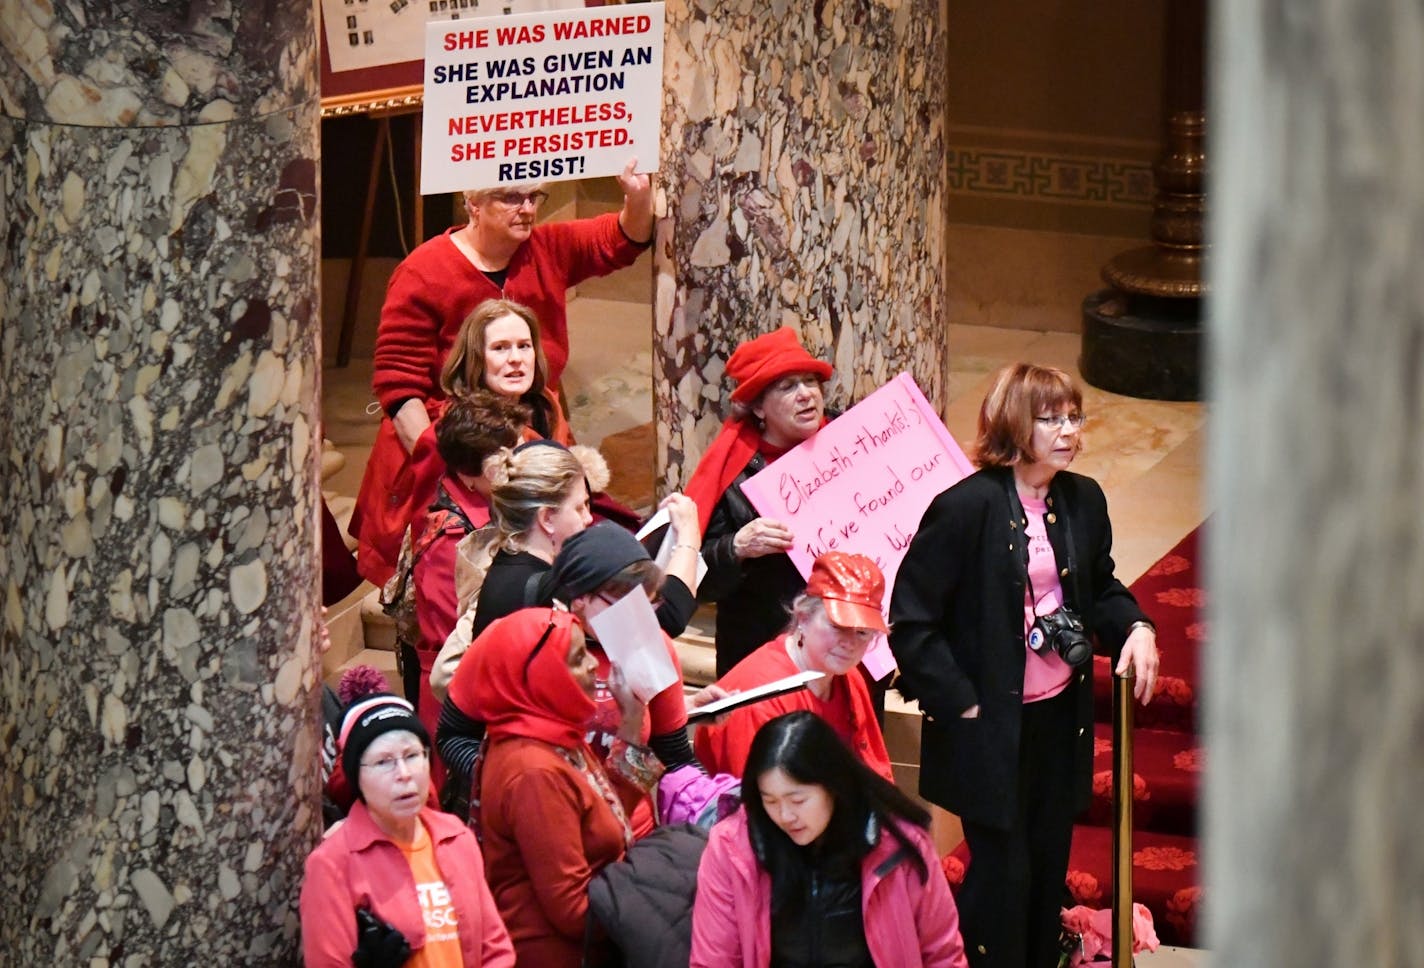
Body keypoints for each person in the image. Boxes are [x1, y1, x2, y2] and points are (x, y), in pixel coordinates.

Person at [888, 362, 1160, 968]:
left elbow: (1102, 584)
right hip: (989, 730)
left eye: (1072, 417)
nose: (1068, 431)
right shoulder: (965, 508)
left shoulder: (1082, 498)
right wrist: (962, 701)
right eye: (1050, 419)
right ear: (1015, 422)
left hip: (1058, 722)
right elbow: (911, 622)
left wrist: (1137, 626)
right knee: (1003, 880)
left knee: (1045, 872)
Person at [350, 161, 654, 584]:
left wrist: (638, 196)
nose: (526, 208)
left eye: (534, 197)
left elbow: (623, 237)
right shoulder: (423, 272)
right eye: (511, 196)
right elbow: (400, 391)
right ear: (472, 202)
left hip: (524, 438)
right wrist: (456, 471)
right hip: (446, 452)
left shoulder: (546, 248)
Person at [440, 523, 695, 832]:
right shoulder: (513, 640)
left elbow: (676, 758)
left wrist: (713, 802)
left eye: (647, 604)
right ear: (580, 598)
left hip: (626, 836)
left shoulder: (649, 646)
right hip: (535, 833)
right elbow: (454, 736)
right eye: (626, 605)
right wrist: (510, 788)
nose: (640, 619)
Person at [455, 607, 663, 968]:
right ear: (542, 675)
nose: (591, 669)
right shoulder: (533, 772)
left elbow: (611, 812)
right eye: (578, 658)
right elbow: (573, 911)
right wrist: (654, 900)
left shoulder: (549, 730)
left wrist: (632, 718)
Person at [689, 711, 969, 968]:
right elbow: (714, 961)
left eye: (797, 800)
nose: (785, 815)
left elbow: (943, 955)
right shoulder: (732, 847)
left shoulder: (899, 845)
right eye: (769, 801)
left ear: (833, 786)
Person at [300, 694, 515, 967]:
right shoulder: (332, 865)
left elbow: (496, 948)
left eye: (413, 756)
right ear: (357, 777)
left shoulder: (457, 837)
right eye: (383, 762)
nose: (404, 773)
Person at [684, 326, 834, 676]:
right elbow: (695, 579)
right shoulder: (733, 472)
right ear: (759, 409)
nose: (806, 395)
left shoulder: (853, 438)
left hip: (844, 653)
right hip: (763, 655)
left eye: (810, 381)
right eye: (787, 387)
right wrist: (737, 547)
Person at [406, 391, 526, 779]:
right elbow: (458, 644)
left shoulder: (495, 502)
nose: (518, 465)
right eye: (505, 460)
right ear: (470, 474)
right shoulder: (450, 542)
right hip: (459, 707)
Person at [693, 551, 894, 781]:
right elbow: (762, 806)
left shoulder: (849, 677)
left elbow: (876, 776)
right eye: (837, 625)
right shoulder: (759, 696)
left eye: (862, 632)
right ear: (803, 616)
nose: (849, 643)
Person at [471, 443, 701, 640]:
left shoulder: (509, 565)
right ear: (547, 518)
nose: (589, 518)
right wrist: (689, 537)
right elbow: (665, 618)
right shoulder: (552, 585)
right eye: (579, 507)